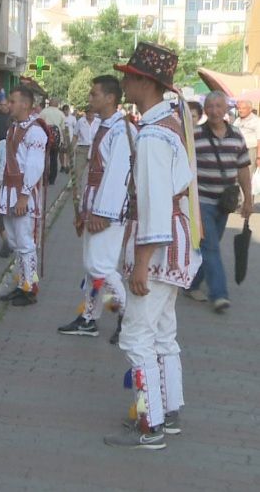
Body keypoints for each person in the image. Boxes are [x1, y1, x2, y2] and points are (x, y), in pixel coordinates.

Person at [104, 42, 201, 450]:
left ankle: (151, 424)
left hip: (159, 249)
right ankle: (169, 411)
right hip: (176, 244)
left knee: (136, 337)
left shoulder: (152, 137)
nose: (124, 82)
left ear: (145, 82)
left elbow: (155, 206)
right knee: (162, 332)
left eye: (128, 76)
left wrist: (141, 263)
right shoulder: (168, 125)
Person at [57, 76, 133, 341]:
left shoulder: (121, 130)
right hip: (96, 206)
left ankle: (126, 315)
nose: (90, 99)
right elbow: (95, 171)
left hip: (109, 211)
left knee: (99, 267)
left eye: (94, 94)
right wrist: (85, 210)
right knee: (93, 269)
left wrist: (102, 212)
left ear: (110, 98)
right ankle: (89, 317)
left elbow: (117, 176)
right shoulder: (106, 126)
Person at [183, 91, 253, 313]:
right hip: (201, 202)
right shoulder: (195, 135)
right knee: (211, 247)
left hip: (225, 203)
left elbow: (243, 170)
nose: (214, 111)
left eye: (218, 106)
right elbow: (184, 166)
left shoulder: (236, 136)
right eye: (210, 106)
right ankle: (220, 294)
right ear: (205, 110)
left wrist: (248, 199)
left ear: (225, 110)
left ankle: (192, 283)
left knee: (207, 249)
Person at [0, 86, 48, 307]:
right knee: (16, 242)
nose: (9, 104)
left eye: (13, 101)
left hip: (22, 193)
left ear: (25, 104)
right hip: (9, 191)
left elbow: (35, 166)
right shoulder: (12, 129)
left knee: (26, 243)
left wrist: (24, 195)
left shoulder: (35, 132)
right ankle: (22, 284)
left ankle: (30, 288)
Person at [39, 98, 65, 185]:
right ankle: (52, 178)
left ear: (49, 103)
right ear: (57, 104)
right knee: (54, 159)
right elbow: (63, 128)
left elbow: (39, 124)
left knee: (44, 159)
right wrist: (63, 140)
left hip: (45, 138)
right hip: (56, 140)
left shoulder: (44, 112)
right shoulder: (61, 114)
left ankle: (44, 178)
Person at [232, 98, 259, 177]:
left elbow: (259, 140)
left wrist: (258, 157)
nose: (240, 110)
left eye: (243, 108)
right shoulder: (237, 121)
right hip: (237, 152)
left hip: (250, 151)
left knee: (247, 175)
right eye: (239, 108)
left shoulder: (256, 121)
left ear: (250, 109)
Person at [74, 111, 99, 180]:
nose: (90, 114)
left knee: (95, 172)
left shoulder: (99, 122)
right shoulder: (80, 121)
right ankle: (77, 189)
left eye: (91, 112)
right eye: (88, 112)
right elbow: (75, 135)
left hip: (95, 149)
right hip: (82, 148)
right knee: (78, 172)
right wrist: (71, 147)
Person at [61, 104, 76, 173]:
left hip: (70, 136)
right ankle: (63, 165)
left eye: (67, 110)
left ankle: (67, 165)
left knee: (68, 152)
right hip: (62, 136)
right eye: (65, 110)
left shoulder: (72, 118)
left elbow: (75, 127)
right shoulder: (61, 117)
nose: (66, 112)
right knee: (62, 152)